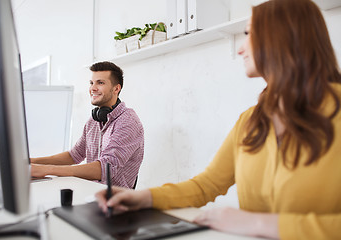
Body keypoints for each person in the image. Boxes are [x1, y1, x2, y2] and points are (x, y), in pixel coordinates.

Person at [95, 0, 341, 239]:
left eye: (249, 33)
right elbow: (207, 185)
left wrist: (258, 223)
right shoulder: (251, 121)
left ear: (284, 35)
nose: (241, 48)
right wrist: (144, 198)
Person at [31, 61, 144, 189]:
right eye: (91, 83)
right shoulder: (93, 121)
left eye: (100, 83)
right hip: (91, 193)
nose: (93, 88)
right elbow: (74, 155)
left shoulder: (128, 121)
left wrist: (46, 170)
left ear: (116, 89)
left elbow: (105, 168)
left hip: (116, 201)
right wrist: (32, 162)